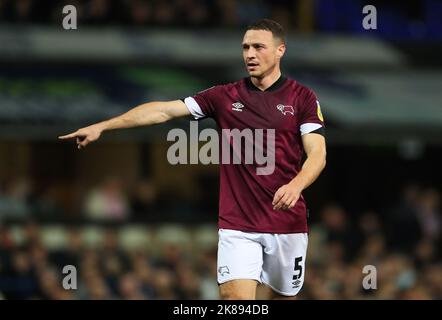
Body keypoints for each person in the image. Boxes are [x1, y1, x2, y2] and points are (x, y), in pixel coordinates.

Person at [59, 19, 326, 300]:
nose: (250, 54)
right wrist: (104, 125)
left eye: (258, 47)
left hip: (286, 225)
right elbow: (163, 111)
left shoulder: (302, 98)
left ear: (280, 50)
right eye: (245, 47)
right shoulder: (224, 96)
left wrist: (295, 186)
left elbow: (317, 154)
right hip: (238, 225)